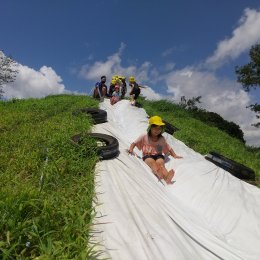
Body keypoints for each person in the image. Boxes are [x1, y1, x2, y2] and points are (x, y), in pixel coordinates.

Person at [127, 116, 182, 184]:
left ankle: (167, 178)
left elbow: (168, 147)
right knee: (152, 163)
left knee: (161, 164)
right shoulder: (144, 136)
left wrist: (175, 155)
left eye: (159, 129)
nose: (157, 131)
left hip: (158, 155)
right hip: (147, 155)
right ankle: (157, 172)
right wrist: (131, 149)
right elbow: (134, 143)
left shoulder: (161, 138)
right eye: (155, 129)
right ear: (150, 128)